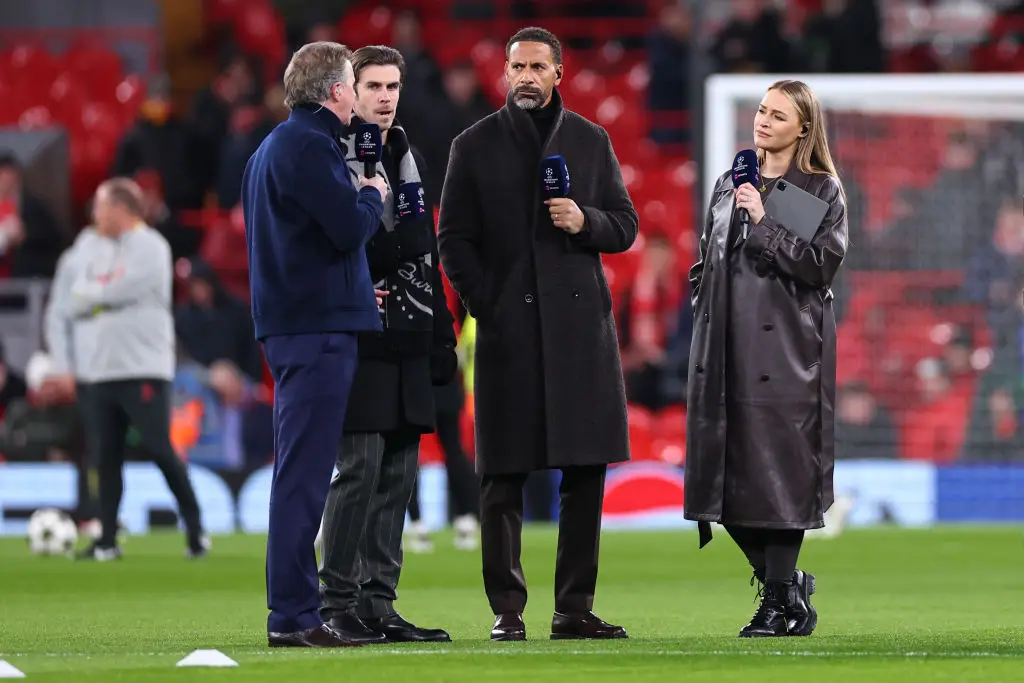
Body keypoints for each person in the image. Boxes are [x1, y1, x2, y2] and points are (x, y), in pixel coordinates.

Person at [437, 26, 637, 642]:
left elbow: (625, 226)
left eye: (536, 67)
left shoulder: (590, 140)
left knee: (584, 474)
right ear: (505, 73)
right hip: (508, 332)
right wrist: (487, 304)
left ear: (558, 73)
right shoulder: (473, 145)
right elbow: (453, 241)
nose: (524, 76)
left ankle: (573, 609)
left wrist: (585, 220)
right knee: (502, 475)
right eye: (515, 66)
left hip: (579, 334)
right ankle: (507, 611)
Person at [684, 79, 848, 638]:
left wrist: (765, 215)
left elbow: (816, 268)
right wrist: (701, 291)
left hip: (784, 353)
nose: (763, 121)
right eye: (761, 111)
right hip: (724, 347)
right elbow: (708, 254)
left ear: (803, 128)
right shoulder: (731, 181)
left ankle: (778, 601)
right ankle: (785, 586)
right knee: (720, 481)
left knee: (779, 479)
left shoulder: (815, 189)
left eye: (778, 116)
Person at [242, 41, 389, 648]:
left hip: (294, 323)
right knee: (304, 473)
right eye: (355, 83)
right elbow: (348, 227)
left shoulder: (271, 148)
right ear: (335, 91)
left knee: (299, 469)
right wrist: (372, 194)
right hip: (315, 329)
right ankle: (295, 615)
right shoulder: (309, 145)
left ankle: (296, 610)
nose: (359, 94)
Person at [316, 44, 456, 645]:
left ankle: (378, 603)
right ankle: (335, 600)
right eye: (373, 86)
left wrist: (441, 332)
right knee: (361, 466)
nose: (385, 97)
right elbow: (352, 243)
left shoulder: (405, 155)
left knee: (400, 469)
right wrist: (397, 246)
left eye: (393, 86)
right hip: (360, 331)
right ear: (349, 90)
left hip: (409, 327)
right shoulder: (328, 156)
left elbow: (425, 248)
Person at [64, 178, 208, 561]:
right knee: (105, 456)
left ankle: (196, 529)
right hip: (100, 370)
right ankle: (107, 539)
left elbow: (114, 292)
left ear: (121, 209)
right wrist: (99, 292)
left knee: (161, 449)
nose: (95, 214)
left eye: (100, 206)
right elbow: (72, 298)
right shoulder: (92, 247)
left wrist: (97, 292)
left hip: (142, 367)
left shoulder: (152, 247)